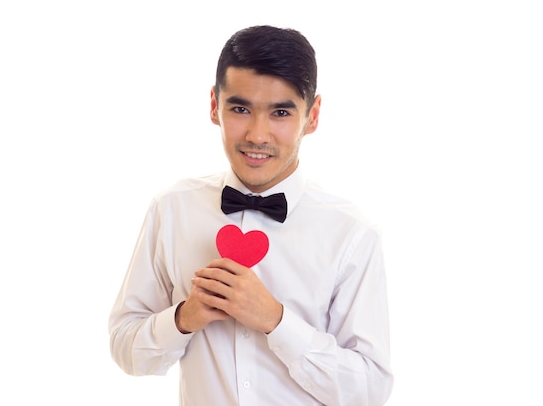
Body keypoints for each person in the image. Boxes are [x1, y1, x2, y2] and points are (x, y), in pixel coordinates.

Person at [109, 25, 393, 406]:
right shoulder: (172, 209)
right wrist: (183, 318)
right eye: (240, 109)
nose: (258, 135)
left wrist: (276, 321)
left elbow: (370, 390)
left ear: (313, 115)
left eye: (280, 112)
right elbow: (125, 349)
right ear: (214, 105)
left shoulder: (352, 232)